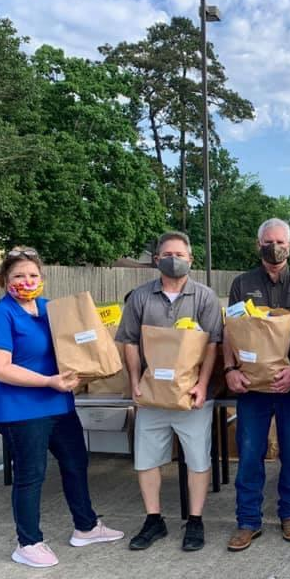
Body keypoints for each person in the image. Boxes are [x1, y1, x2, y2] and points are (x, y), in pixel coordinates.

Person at [0, 247, 124, 568]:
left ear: (42, 279)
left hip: (59, 404)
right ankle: (27, 542)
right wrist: (48, 382)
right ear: (4, 280)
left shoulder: (50, 310)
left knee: (76, 462)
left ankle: (85, 526)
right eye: (18, 275)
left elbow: (75, 348)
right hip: (22, 410)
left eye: (33, 275)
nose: (26, 281)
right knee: (31, 475)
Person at [117, 231, 223, 552]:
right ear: (156, 259)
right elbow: (130, 341)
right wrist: (135, 381)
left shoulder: (204, 297)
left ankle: (195, 520)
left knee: (196, 459)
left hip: (191, 396)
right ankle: (154, 519)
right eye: (166, 253)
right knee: (147, 459)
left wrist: (203, 385)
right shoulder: (140, 297)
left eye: (179, 254)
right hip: (152, 394)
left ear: (191, 259)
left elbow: (213, 345)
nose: (173, 259)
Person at [223, 218, 290, 551]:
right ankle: (248, 520)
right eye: (268, 241)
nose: (274, 247)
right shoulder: (242, 282)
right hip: (252, 385)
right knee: (250, 453)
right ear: (258, 244)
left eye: (280, 242)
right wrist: (229, 368)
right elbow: (231, 328)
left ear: (289, 246)